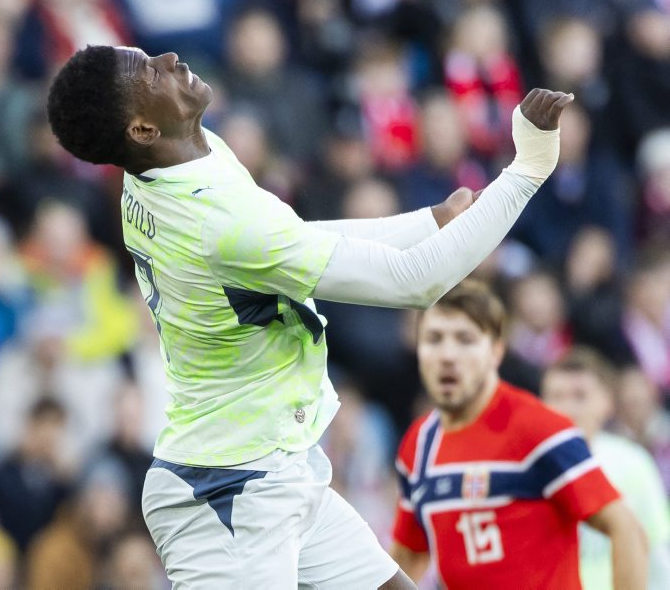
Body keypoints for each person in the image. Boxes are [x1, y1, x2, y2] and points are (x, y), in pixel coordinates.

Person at [46, 43, 571, 588]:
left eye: (147, 55)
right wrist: (528, 170)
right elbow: (415, 281)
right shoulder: (215, 219)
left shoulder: (171, 165)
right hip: (226, 495)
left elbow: (288, 242)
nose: (169, 59)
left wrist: (428, 223)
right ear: (142, 130)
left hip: (270, 465)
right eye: (150, 73)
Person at [390, 281, 647, 589]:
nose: (447, 355)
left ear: (496, 350)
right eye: (434, 339)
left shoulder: (540, 428)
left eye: (465, 339)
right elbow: (409, 557)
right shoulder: (418, 444)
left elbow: (626, 529)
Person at [541, 347, 670, 590]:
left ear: (607, 402)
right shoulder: (527, 467)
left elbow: (658, 552)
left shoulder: (632, 463)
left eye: (580, 396)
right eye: (556, 396)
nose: (566, 408)